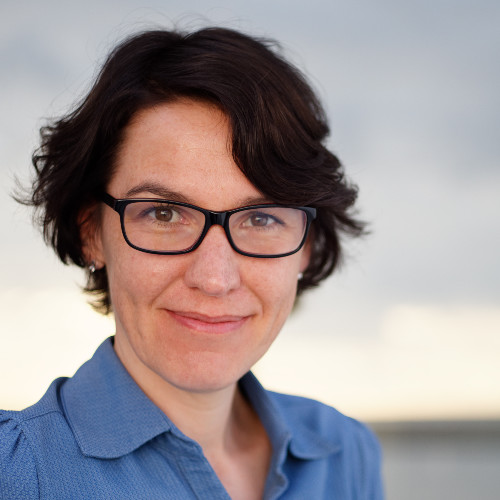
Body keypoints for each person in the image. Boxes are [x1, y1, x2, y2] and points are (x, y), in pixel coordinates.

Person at [0, 27, 383, 499]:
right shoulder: (14, 474)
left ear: (307, 245)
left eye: (261, 218)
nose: (215, 278)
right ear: (91, 233)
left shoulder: (345, 453)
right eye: (164, 214)